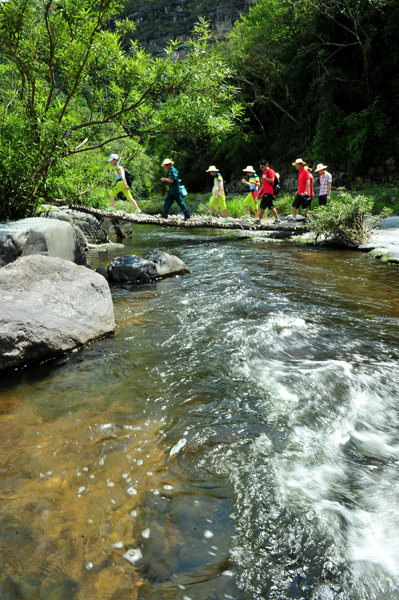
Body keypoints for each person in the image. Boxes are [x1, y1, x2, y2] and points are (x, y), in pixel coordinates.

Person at [255, 159, 281, 224]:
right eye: (260, 167)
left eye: (262, 167)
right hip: (265, 192)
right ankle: (277, 219)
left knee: (262, 206)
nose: (261, 168)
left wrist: (265, 178)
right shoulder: (264, 173)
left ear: (266, 165)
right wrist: (260, 191)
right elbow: (264, 184)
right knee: (271, 206)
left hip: (269, 192)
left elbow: (272, 180)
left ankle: (259, 220)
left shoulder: (270, 171)